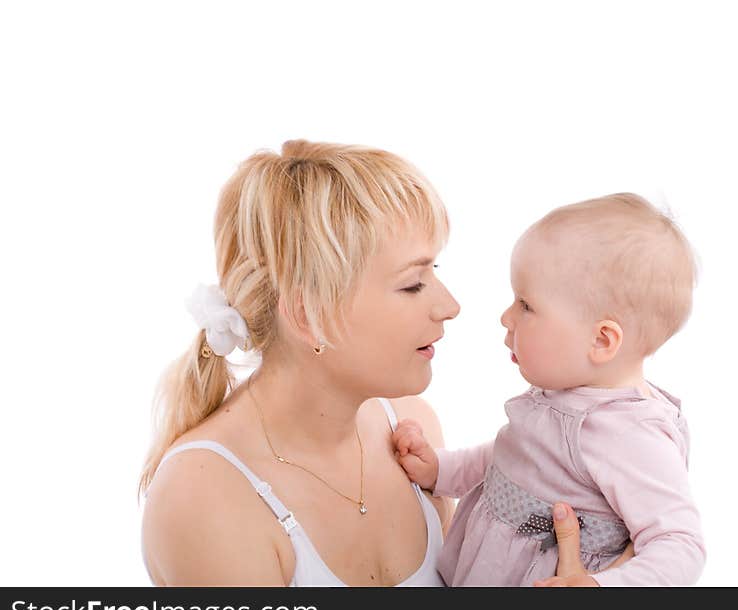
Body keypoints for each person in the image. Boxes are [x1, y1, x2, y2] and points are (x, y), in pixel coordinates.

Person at [138, 139, 600, 586]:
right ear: (308, 315)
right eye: (412, 284)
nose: (450, 305)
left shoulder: (411, 432)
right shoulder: (203, 499)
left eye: (434, 272)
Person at [393, 193, 707, 586]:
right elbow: (513, 457)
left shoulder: (630, 433)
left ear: (602, 341)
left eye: (526, 306)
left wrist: (601, 586)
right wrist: (442, 469)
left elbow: (680, 543)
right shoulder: (567, 395)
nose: (506, 318)